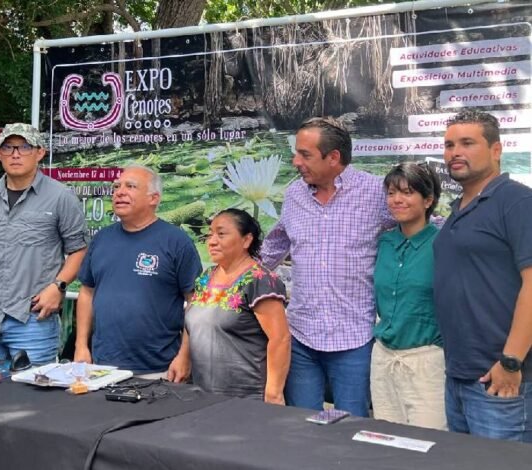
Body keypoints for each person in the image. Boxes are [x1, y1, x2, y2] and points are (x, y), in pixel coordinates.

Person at [261, 116, 395, 417]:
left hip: (354, 339)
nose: (296, 161)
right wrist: (237, 280)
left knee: (351, 430)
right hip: (301, 338)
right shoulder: (295, 195)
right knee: (301, 426)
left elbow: (419, 226)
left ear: (333, 157)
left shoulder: (375, 192)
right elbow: (276, 242)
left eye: (305, 154)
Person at [433, 110, 532, 442]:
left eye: (467, 143)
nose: (454, 152)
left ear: (496, 150)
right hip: (460, 376)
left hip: (502, 381)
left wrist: (511, 362)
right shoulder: (458, 208)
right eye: (448, 145)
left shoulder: (517, 202)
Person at [0, 123, 87, 365]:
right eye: (8, 147)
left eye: (24, 147)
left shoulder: (61, 197)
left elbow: (79, 250)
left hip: (33, 321)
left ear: (40, 153)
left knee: (32, 394)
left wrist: (58, 286)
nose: (15, 154)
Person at [74, 164, 202, 380]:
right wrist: (80, 345)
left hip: (159, 368)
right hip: (101, 366)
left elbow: (195, 301)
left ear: (154, 198)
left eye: (130, 186)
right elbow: (86, 293)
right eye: (116, 187)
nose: (119, 192)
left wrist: (185, 355)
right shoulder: (102, 238)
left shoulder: (176, 242)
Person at [370, 162, 446, 430]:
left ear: (428, 200)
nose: (397, 200)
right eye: (391, 193)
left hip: (426, 361)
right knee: (387, 442)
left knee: (428, 444)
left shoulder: (443, 244)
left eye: (407, 192)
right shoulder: (385, 243)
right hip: (384, 359)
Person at [186, 209, 289, 402]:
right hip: (202, 392)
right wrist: (182, 359)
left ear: (246, 240)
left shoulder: (260, 280)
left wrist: (274, 393)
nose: (212, 241)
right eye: (210, 234)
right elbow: (191, 324)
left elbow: (280, 339)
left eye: (221, 234)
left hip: (245, 397)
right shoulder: (207, 276)